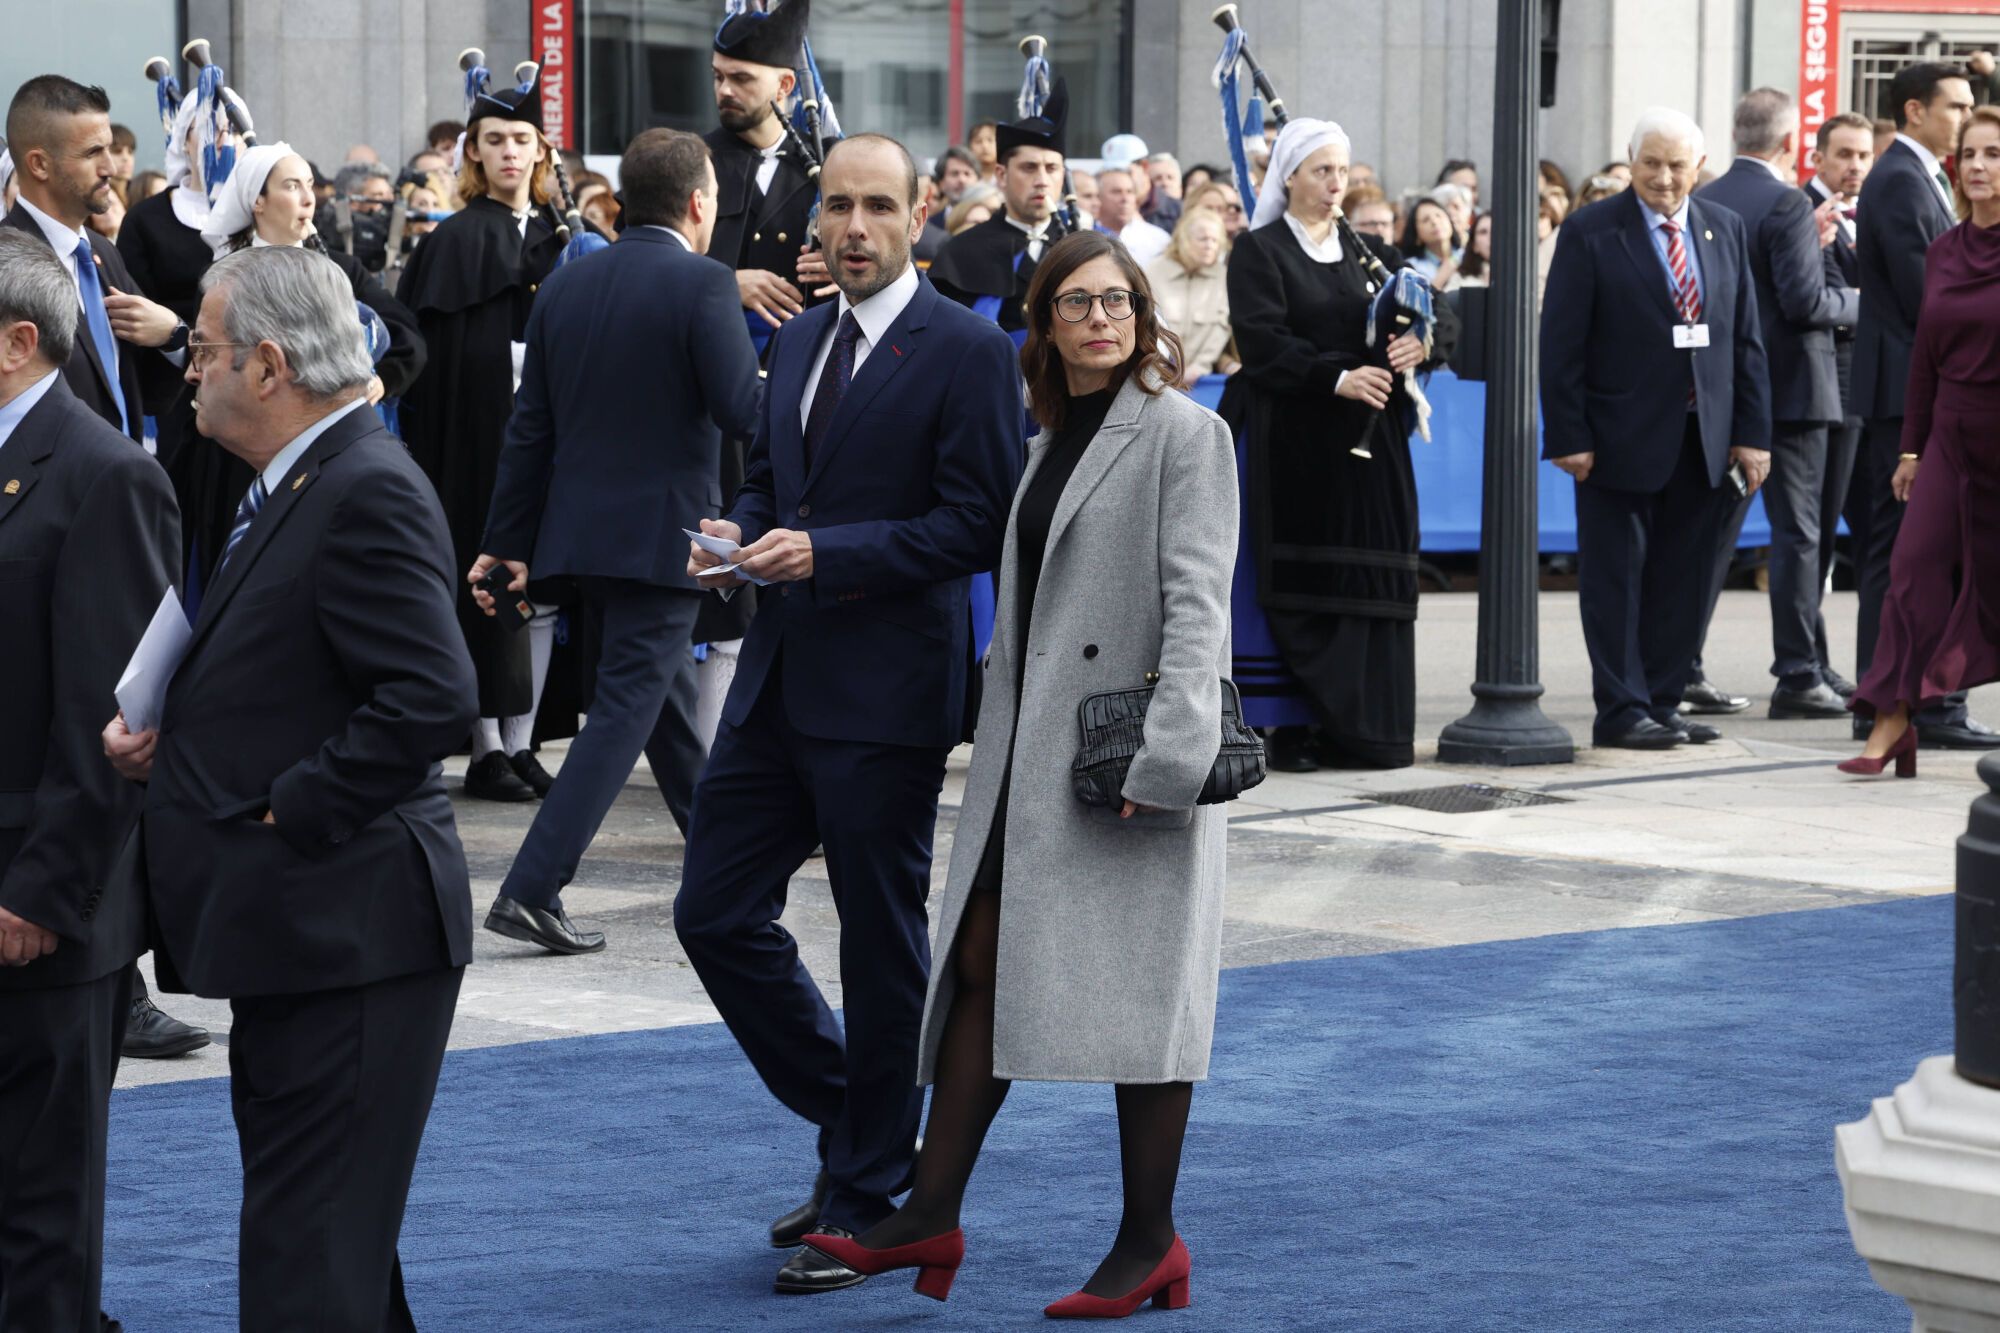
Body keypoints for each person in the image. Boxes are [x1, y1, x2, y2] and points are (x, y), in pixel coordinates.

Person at [801, 228, 1237, 1316]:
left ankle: (1146, 1241)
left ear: (1142, 315)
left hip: (1127, 761)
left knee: (1143, 998)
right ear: (1042, 324)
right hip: (1032, 764)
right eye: (1076, 304)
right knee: (982, 964)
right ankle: (929, 1209)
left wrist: (1172, 759)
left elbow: (1198, 607)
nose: (1100, 319)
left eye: (1117, 301)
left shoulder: (1185, 435)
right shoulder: (1043, 444)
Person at [671, 132, 1023, 1294]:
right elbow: (775, 475)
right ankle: (863, 1127)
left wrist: (826, 552)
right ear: (812, 219)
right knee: (714, 914)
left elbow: (975, 525)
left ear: (919, 212)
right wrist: (737, 536)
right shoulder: (805, 333)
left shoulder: (967, 350)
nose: (854, 228)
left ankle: (872, 1189)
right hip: (777, 677)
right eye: (836, 208)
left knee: (882, 950)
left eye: (877, 206)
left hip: (885, 694)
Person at [100, 245, 476, 1332]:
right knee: (327, 1248)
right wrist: (188, 745)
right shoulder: (303, 479)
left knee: (306, 1260)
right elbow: (303, 676)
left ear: (267, 366)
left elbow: (430, 694)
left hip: (353, 932)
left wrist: (292, 805)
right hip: (308, 935)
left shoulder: (365, 487)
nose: (190, 373)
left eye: (204, 352)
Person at [469, 129, 759, 954]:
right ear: (701, 203)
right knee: (625, 713)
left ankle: (721, 849)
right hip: (667, 541)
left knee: (658, 701)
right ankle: (531, 886)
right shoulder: (706, 283)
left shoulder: (568, 286)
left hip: (584, 541)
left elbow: (530, 431)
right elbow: (744, 409)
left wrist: (504, 540)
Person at [0, 228, 177, 1333]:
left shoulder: (108, 476)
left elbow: (111, 720)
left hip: (41, 900)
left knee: (42, 1194)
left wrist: (41, 891)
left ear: (18, 342)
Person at [1219, 118, 1457, 772]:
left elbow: (1441, 314)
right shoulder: (1260, 250)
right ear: (1289, 176)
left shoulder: (1366, 251)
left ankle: (1360, 729)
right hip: (1289, 437)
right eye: (1322, 171)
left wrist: (1423, 342)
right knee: (1294, 585)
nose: (1335, 184)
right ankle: (1288, 725)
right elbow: (1262, 341)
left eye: (1342, 172)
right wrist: (1338, 376)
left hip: (1366, 446)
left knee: (1364, 580)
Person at [1542, 108, 1771, 750]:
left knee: (1685, 579)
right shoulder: (1591, 230)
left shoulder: (1723, 228)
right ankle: (1620, 710)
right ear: (1630, 160)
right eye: (1651, 163)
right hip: (1617, 440)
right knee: (1617, 580)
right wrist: (1568, 436)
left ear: (1699, 167)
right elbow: (1561, 343)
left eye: (1677, 165)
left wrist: (1753, 433)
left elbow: (1743, 340)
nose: (1664, 177)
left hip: (1705, 439)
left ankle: (1664, 701)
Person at [397, 57, 568, 802]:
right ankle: (487, 741)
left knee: (544, 585)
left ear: (540, 150)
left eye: (519, 138)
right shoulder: (455, 238)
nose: (507, 152)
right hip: (472, 437)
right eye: (493, 139)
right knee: (485, 579)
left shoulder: (567, 233)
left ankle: (525, 740)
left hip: (553, 432)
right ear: (473, 150)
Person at [1843, 106, 2000, 775]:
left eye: (1993, 153)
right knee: (1911, 574)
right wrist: (1911, 448)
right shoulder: (1943, 249)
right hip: (1949, 438)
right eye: (1969, 154)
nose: (1979, 166)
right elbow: (1924, 360)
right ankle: (1892, 718)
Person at [1694, 88, 1857, 722]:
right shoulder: (1788, 201)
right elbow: (1806, 304)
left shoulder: (1704, 199)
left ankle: (1683, 667)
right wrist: (1867, 303)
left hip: (1721, 397)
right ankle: (1797, 672)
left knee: (1714, 540)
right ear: (1791, 144)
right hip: (1791, 395)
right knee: (1798, 538)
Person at [3, 77, 184, 449]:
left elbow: (141, 392)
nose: (111, 168)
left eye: (110, 150)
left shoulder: (102, 253)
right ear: (39, 164)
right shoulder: (7, 264)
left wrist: (173, 336)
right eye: (91, 153)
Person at [707, 0, 831, 340]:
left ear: (785, 85)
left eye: (741, 78)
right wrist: (724, 284)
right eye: (718, 76)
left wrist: (853, 271)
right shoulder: (689, 159)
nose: (724, 90)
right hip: (713, 351)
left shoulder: (832, 160)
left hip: (810, 354)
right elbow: (648, 264)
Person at [1809, 112, 1874, 699]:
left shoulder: (1865, 214)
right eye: (1844, 154)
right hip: (1825, 394)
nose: (1854, 165)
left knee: (1833, 538)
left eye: (1863, 155)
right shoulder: (1805, 212)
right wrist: (1865, 302)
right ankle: (1808, 665)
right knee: (1815, 536)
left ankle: (1816, 663)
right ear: (1819, 159)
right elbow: (1822, 301)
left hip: (1860, 397)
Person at [930, 81, 1070, 335]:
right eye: (1029, 168)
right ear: (1001, 175)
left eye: (1051, 168)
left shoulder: (1081, 248)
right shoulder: (960, 253)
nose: (1042, 180)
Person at [1144, 208, 1235, 383]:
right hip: (1155, 373)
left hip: (1199, 378)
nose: (1210, 245)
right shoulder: (1154, 271)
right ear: (1184, 239)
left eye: (1215, 240)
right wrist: (1157, 366)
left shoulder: (1223, 277)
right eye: (1203, 239)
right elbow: (1144, 325)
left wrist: (1200, 367)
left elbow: (1221, 329)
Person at [1094, 165, 1169, 262]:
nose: (1125, 199)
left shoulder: (1159, 239)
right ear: (1098, 196)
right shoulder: (1084, 236)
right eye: (1116, 192)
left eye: (1130, 192)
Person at [1400, 196, 1462, 289]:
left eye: (1439, 215)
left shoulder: (1466, 255)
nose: (1434, 222)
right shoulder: (1411, 268)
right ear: (1416, 235)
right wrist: (1441, 277)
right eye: (1425, 220)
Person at [1142, 151, 1182, 228]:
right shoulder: (1142, 217)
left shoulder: (1191, 214)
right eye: (1158, 178)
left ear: (1181, 187)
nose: (1165, 183)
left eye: (1170, 177)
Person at [1457, 211, 1492, 287]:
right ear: (1474, 245)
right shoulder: (1459, 280)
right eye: (1483, 232)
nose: (1491, 236)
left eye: (1495, 230)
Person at [106, 121, 135, 202]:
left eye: (130, 152)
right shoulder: (95, 198)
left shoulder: (140, 195)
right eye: (117, 152)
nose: (126, 158)